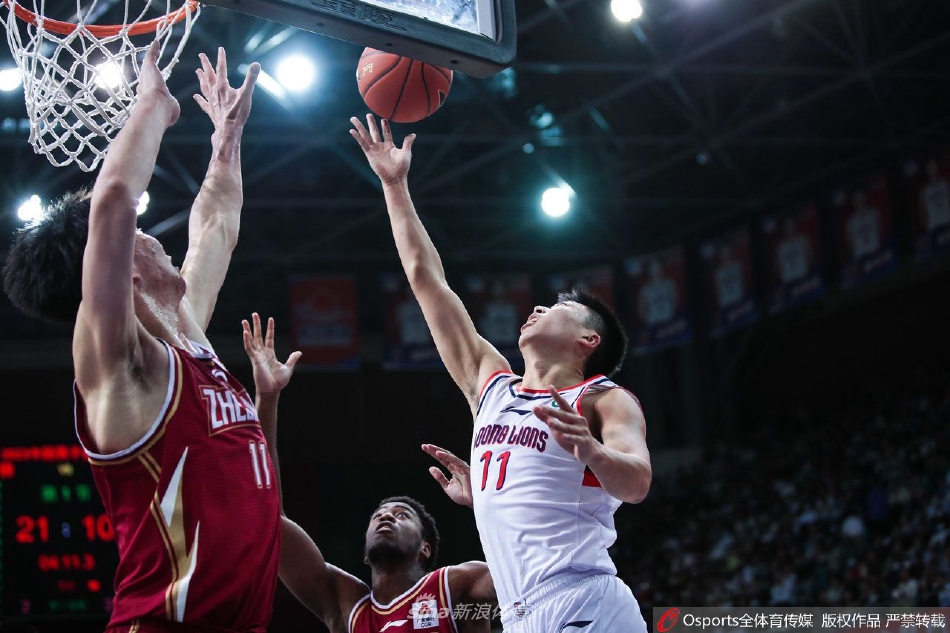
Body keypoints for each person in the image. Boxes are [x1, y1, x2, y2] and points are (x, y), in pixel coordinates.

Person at [2, 43, 272, 633]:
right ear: (121, 268)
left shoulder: (184, 332)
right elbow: (113, 204)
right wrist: (152, 105)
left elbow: (216, 228)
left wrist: (226, 138)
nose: (155, 237)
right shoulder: (119, 364)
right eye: (142, 236)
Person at [350, 114, 651, 633]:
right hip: (518, 614)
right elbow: (427, 282)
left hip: (582, 599)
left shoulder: (602, 400)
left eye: (557, 306)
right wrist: (396, 186)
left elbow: (638, 481)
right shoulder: (490, 382)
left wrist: (593, 452)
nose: (536, 308)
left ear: (588, 340)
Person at [239, 314, 495, 633]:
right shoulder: (344, 605)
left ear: (425, 548)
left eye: (402, 515)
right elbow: (269, 520)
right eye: (378, 516)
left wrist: (486, 505)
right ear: (364, 554)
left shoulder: (456, 589)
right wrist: (267, 398)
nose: (386, 518)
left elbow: (527, 582)